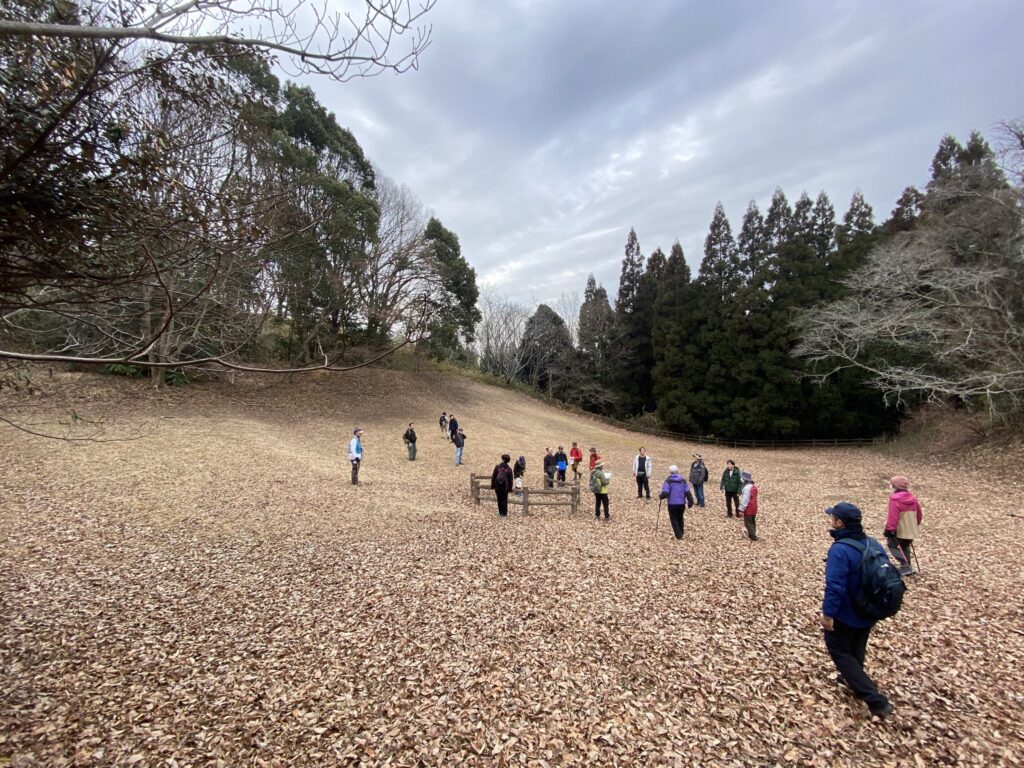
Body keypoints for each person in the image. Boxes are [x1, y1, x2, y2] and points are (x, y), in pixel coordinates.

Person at [820, 502, 894, 719]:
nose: (830, 521)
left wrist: (828, 614)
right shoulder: (873, 543)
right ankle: (851, 678)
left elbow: (835, 586)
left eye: (833, 518)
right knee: (857, 645)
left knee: (840, 651)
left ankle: (875, 700)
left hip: (847, 611)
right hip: (869, 608)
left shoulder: (840, 550)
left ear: (840, 523)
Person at [885, 475, 922, 576]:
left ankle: (905, 565)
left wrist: (889, 529)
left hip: (899, 529)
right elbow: (919, 514)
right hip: (911, 528)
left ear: (894, 487)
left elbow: (893, 516)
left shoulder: (895, 499)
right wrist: (915, 524)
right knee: (905, 546)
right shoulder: (913, 498)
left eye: (891, 485)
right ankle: (907, 566)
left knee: (892, 545)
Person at [659, 465, 694, 540]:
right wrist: (691, 501)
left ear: (670, 472)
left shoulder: (668, 481)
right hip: (681, 503)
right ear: (677, 471)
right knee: (680, 517)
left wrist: (661, 496)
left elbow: (665, 493)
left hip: (672, 503)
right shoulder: (683, 480)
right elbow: (687, 492)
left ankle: (678, 535)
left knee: (673, 519)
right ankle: (681, 532)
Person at [738, 471, 759, 540]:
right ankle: (752, 534)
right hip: (754, 507)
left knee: (748, 522)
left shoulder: (747, 488)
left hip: (749, 507)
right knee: (752, 521)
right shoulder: (753, 486)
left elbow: (745, 499)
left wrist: (741, 509)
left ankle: (753, 536)